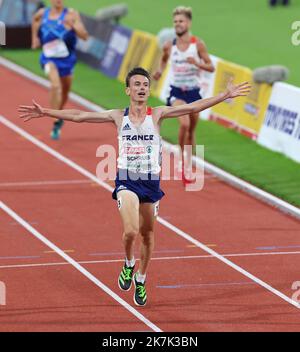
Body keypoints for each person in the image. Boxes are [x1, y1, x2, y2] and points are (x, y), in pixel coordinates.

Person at [18, 67, 251, 306]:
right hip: (127, 180)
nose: (141, 88)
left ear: (149, 90)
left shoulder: (158, 114)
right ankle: (129, 263)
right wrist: (45, 112)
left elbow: (192, 108)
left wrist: (224, 95)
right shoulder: (119, 116)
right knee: (131, 231)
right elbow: (80, 115)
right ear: (128, 89)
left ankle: (141, 277)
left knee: (148, 235)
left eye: (145, 85)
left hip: (151, 182)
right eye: (137, 84)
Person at [153, 6, 215, 184]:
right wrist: (160, 71)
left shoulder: (198, 44)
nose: (177, 24)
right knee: (184, 124)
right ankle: (182, 160)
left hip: (194, 93)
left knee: (191, 132)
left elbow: (211, 67)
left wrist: (197, 63)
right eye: (175, 22)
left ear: (188, 23)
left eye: (180, 21)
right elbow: (164, 59)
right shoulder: (169, 45)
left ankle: (188, 164)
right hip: (177, 92)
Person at [31, 0, 88, 140]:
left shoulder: (71, 14)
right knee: (55, 86)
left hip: (67, 60)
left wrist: (73, 25)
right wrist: (34, 38)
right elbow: (35, 21)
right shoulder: (42, 14)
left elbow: (84, 36)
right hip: (48, 58)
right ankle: (55, 118)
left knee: (65, 91)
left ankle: (59, 113)